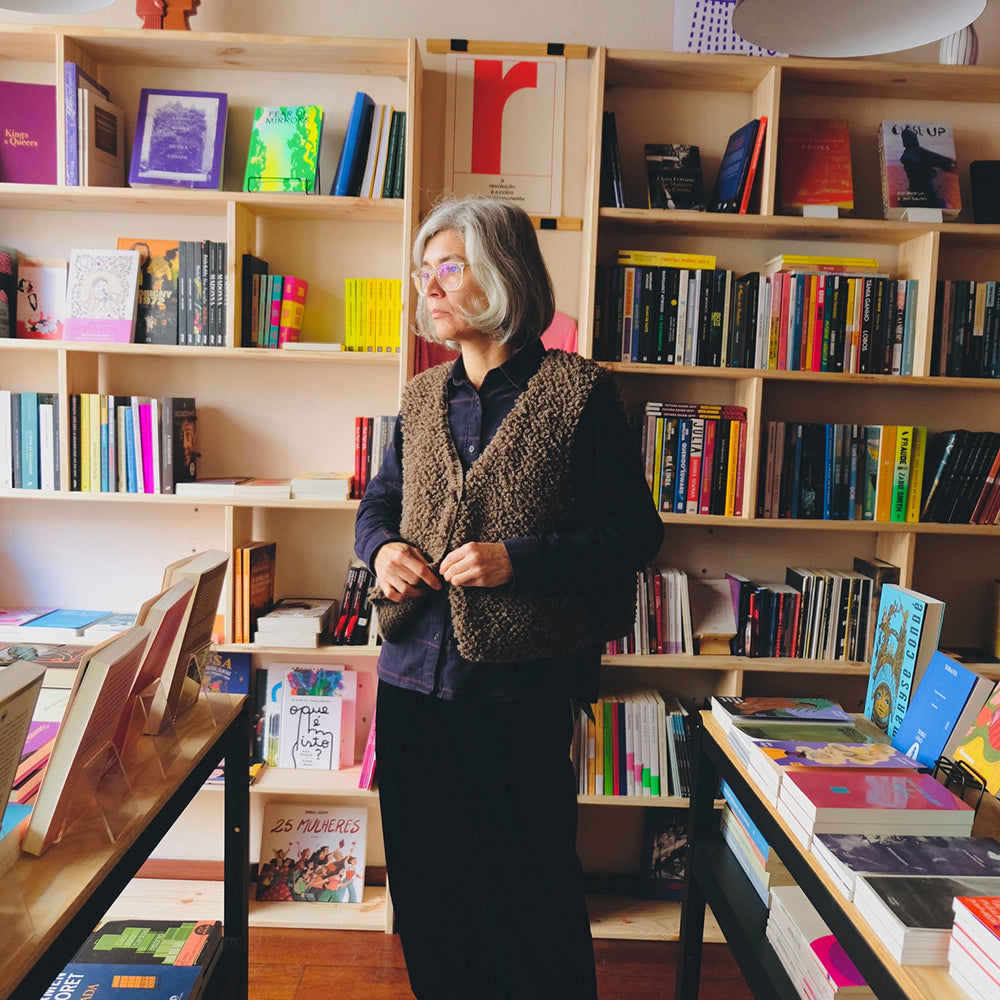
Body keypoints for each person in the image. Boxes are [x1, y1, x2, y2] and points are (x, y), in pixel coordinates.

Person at [354, 195, 664, 1000]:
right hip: (411, 679)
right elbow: (378, 506)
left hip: (518, 685)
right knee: (427, 889)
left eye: (447, 269)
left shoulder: (580, 393)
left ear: (501, 273)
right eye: (424, 273)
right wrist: (382, 550)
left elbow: (633, 533)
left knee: (529, 888)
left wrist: (516, 562)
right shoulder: (421, 396)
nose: (429, 287)